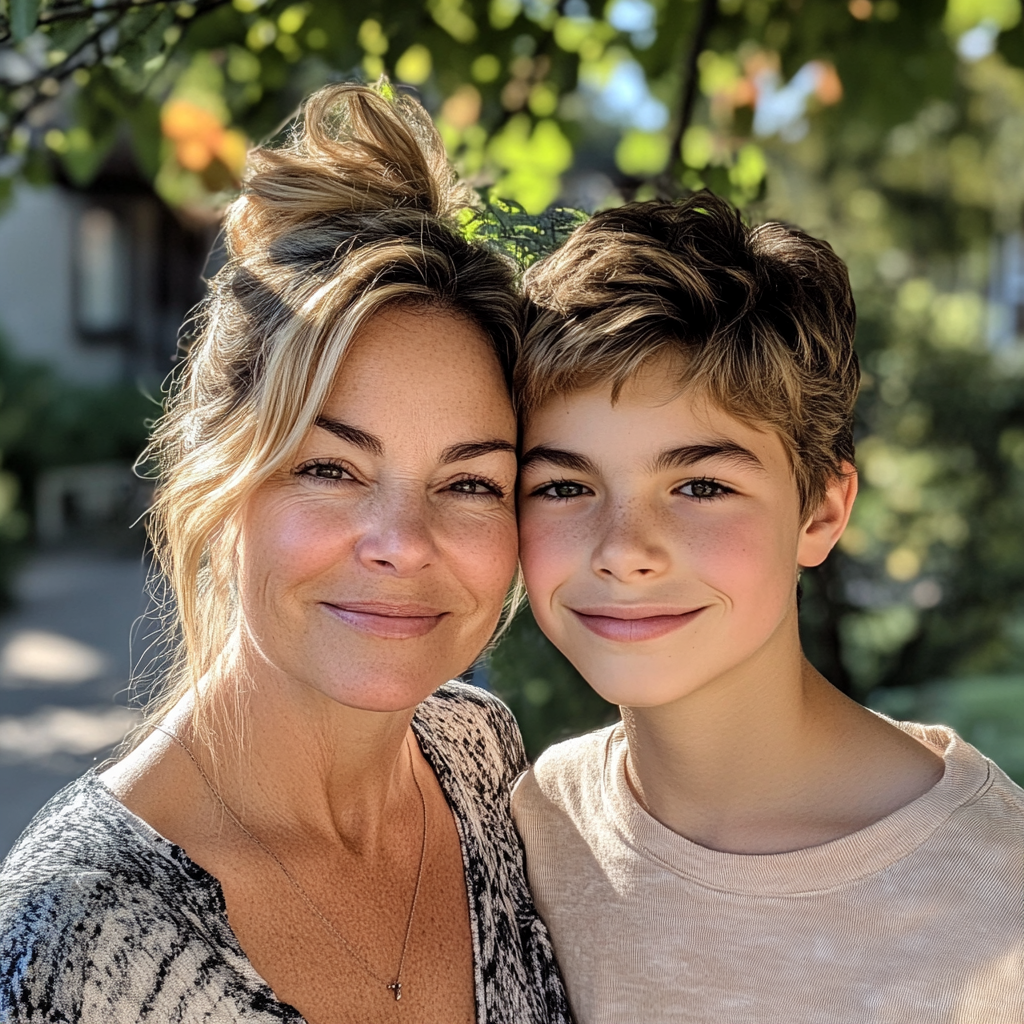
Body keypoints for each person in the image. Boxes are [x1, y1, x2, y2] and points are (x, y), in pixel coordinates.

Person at [0, 83, 571, 1024]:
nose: (403, 543)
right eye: (330, 468)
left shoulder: (480, 755)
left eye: (471, 483)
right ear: (223, 482)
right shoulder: (75, 935)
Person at [510, 190, 1024, 1023]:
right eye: (565, 485)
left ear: (821, 510)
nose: (624, 548)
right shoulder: (532, 826)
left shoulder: (997, 896)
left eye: (702, 485)